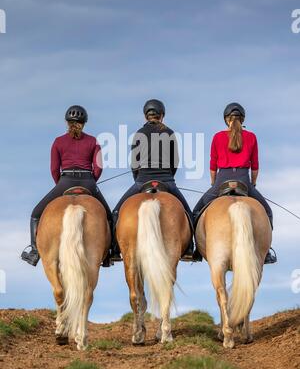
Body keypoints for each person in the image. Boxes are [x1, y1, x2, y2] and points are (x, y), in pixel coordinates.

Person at [111, 99, 201, 262]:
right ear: (162, 115)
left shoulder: (139, 133)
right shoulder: (169, 133)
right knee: (188, 213)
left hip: (142, 180)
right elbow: (175, 162)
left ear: (146, 116)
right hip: (166, 181)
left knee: (116, 212)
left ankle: (115, 249)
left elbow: (134, 163)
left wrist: (138, 180)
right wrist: (169, 177)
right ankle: (189, 248)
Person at [21, 105, 112, 266]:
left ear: (67, 122)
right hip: (88, 182)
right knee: (109, 216)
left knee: (35, 214)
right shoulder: (93, 141)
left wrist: (61, 186)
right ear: (84, 123)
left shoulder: (58, 142)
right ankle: (110, 251)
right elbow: (98, 168)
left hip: (65, 182)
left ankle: (35, 252)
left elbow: (54, 169)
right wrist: (90, 184)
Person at [193, 102, 277, 264]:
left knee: (196, 211)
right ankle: (266, 252)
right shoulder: (251, 137)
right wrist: (252, 184)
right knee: (267, 212)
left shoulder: (217, 137)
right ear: (242, 118)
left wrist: (213, 183)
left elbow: (213, 164)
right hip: (243, 179)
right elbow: (255, 165)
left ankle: (197, 248)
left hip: (222, 179)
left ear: (226, 119)